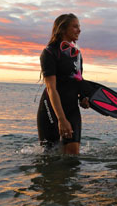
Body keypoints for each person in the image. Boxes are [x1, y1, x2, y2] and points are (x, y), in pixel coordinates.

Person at [37, 13, 90, 154]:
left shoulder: (77, 54)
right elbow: (51, 88)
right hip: (52, 108)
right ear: (62, 29)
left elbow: (79, 79)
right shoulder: (49, 52)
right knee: (49, 156)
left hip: (71, 107)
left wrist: (83, 97)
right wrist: (61, 118)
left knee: (73, 153)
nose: (79, 30)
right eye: (75, 26)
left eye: (79, 27)